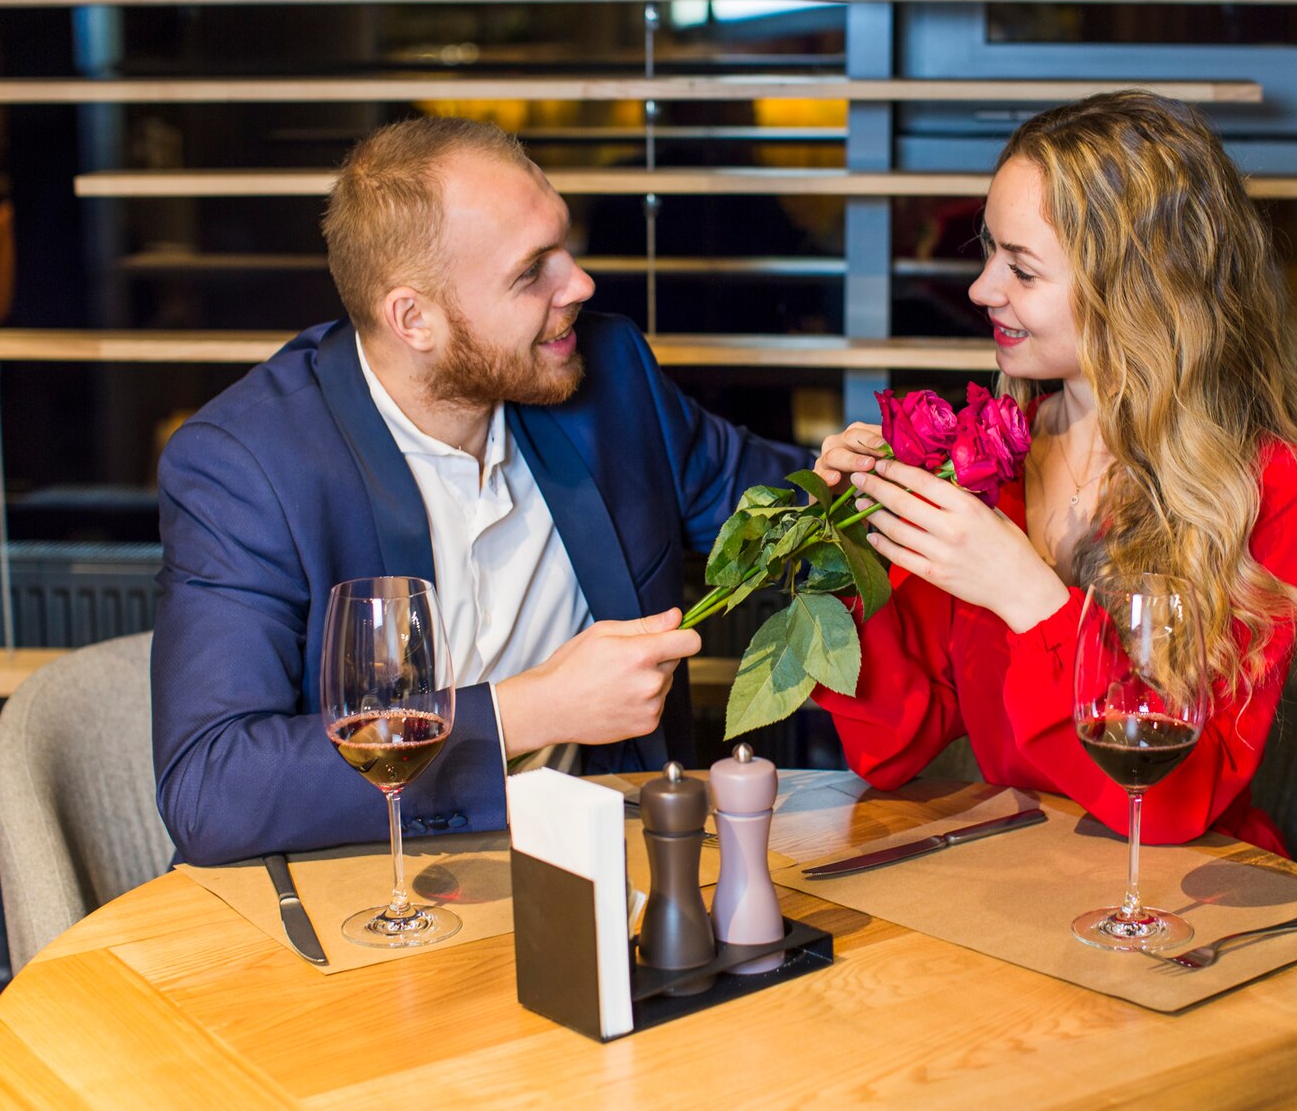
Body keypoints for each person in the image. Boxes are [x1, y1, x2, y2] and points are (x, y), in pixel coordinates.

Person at [153, 117, 808, 866]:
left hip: (603, 877)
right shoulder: (247, 466)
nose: (581, 285)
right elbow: (211, 788)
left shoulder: (609, 371)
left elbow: (776, 504)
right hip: (369, 894)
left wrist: (885, 471)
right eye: (533, 272)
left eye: (567, 244)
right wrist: (530, 711)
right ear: (414, 319)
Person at [812, 92, 1297, 856]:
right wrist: (849, 548)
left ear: (1138, 287)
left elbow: (1170, 808)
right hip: (1017, 880)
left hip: (1175, 897)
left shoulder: (1262, 486)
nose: (981, 289)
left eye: (1022, 269)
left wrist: (1027, 596)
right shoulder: (990, 459)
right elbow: (890, 746)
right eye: (988, 250)